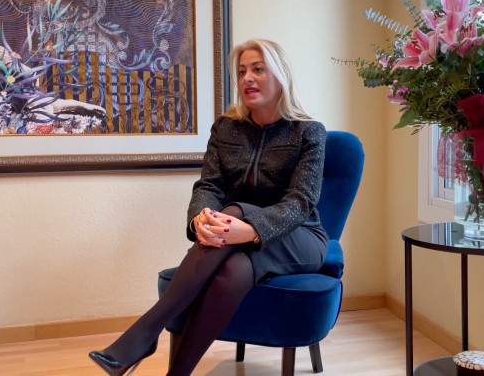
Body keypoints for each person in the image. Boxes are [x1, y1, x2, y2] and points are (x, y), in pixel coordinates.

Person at [89, 38, 328, 376]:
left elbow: (300, 202)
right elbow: (209, 186)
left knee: (234, 212)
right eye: (242, 71)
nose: (247, 78)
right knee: (235, 267)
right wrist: (199, 218)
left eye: (258, 70)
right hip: (234, 238)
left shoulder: (309, 132)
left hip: (299, 236)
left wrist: (252, 229)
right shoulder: (227, 128)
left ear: (280, 76)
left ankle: (143, 334)